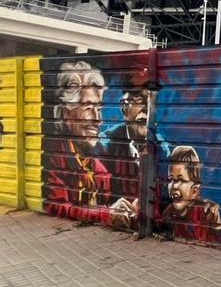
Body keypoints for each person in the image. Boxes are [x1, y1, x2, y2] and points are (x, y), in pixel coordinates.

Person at [44, 61, 136, 230]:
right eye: (88, 108)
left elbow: (106, 206)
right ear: (66, 112)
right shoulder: (53, 158)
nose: (97, 119)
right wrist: (104, 214)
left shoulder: (99, 170)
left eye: (99, 109)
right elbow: (55, 205)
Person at [102, 66, 150, 205]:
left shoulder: (163, 150)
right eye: (140, 100)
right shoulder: (105, 146)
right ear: (124, 108)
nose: (146, 109)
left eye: (151, 101)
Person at [162, 145, 221, 244]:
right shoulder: (168, 213)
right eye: (171, 179)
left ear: (195, 191)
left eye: (181, 180)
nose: (174, 186)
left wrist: (215, 223)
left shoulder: (206, 212)